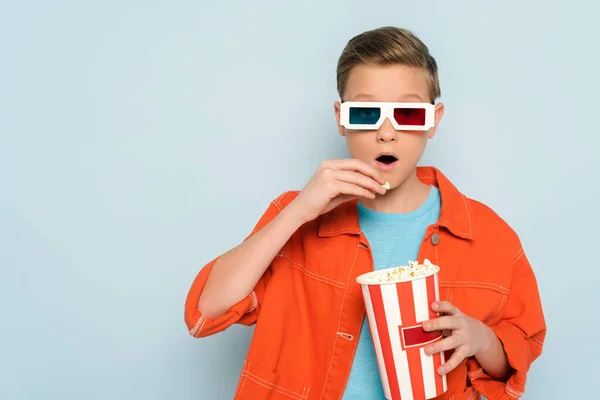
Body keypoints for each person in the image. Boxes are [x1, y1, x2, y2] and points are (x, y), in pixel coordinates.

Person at [184, 26, 546, 400]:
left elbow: (518, 354)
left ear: (434, 120)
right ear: (341, 118)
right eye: (367, 112)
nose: (386, 133)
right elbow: (206, 313)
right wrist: (297, 213)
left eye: (407, 113)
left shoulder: (489, 236)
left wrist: (482, 339)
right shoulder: (294, 218)